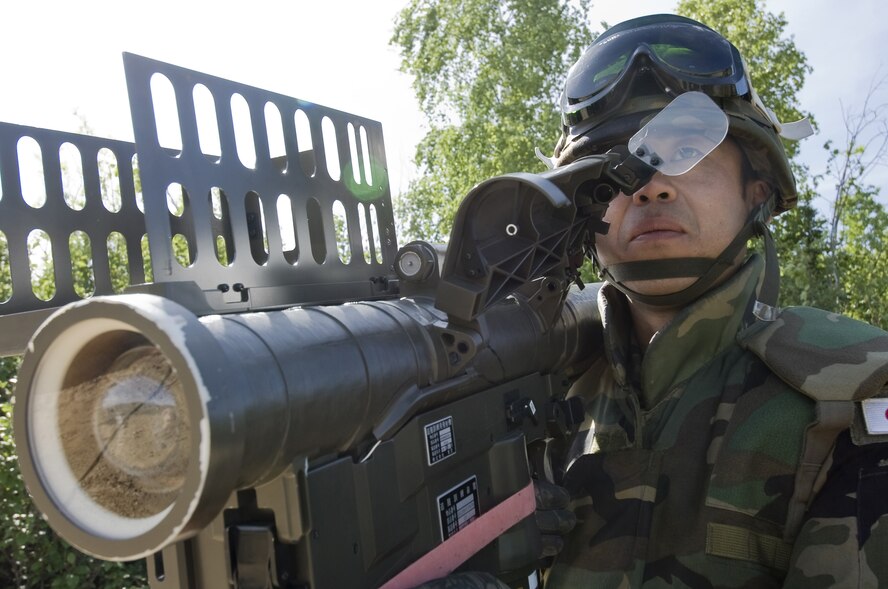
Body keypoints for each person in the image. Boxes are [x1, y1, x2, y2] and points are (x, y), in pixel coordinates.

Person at [540, 13, 888, 588]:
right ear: (585, 212)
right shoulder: (531, 391)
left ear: (756, 189)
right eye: (615, 167)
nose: (650, 184)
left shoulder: (853, 389)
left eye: (689, 150)